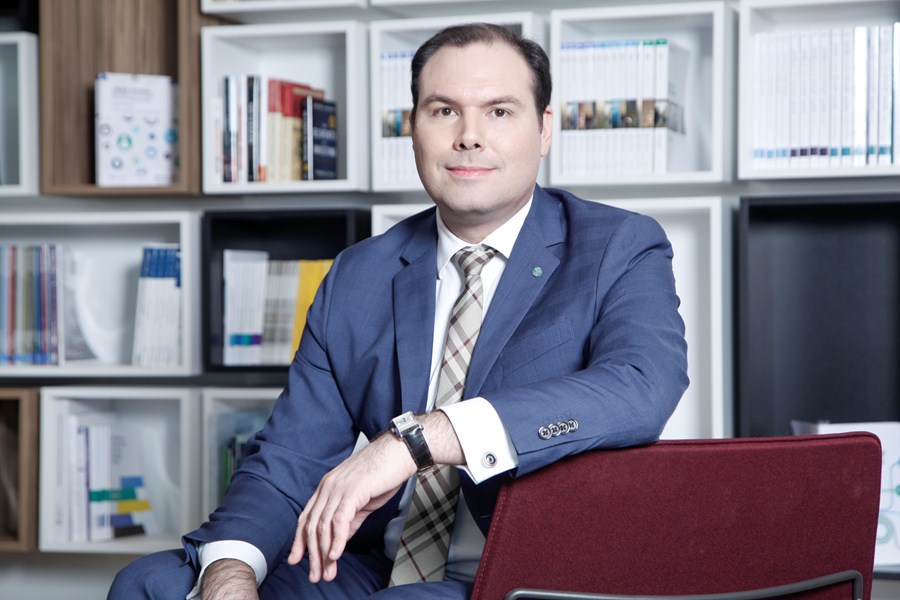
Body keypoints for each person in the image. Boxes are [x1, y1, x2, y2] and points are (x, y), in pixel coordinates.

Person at [109, 22, 688, 600]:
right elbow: (288, 457)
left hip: (530, 574)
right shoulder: (360, 273)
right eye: (444, 111)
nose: (469, 136)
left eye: (499, 112)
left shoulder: (617, 246)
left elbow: (642, 386)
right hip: (376, 565)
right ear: (413, 128)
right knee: (154, 585)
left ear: (544, 129)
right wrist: (230, 573)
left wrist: (416, 441)